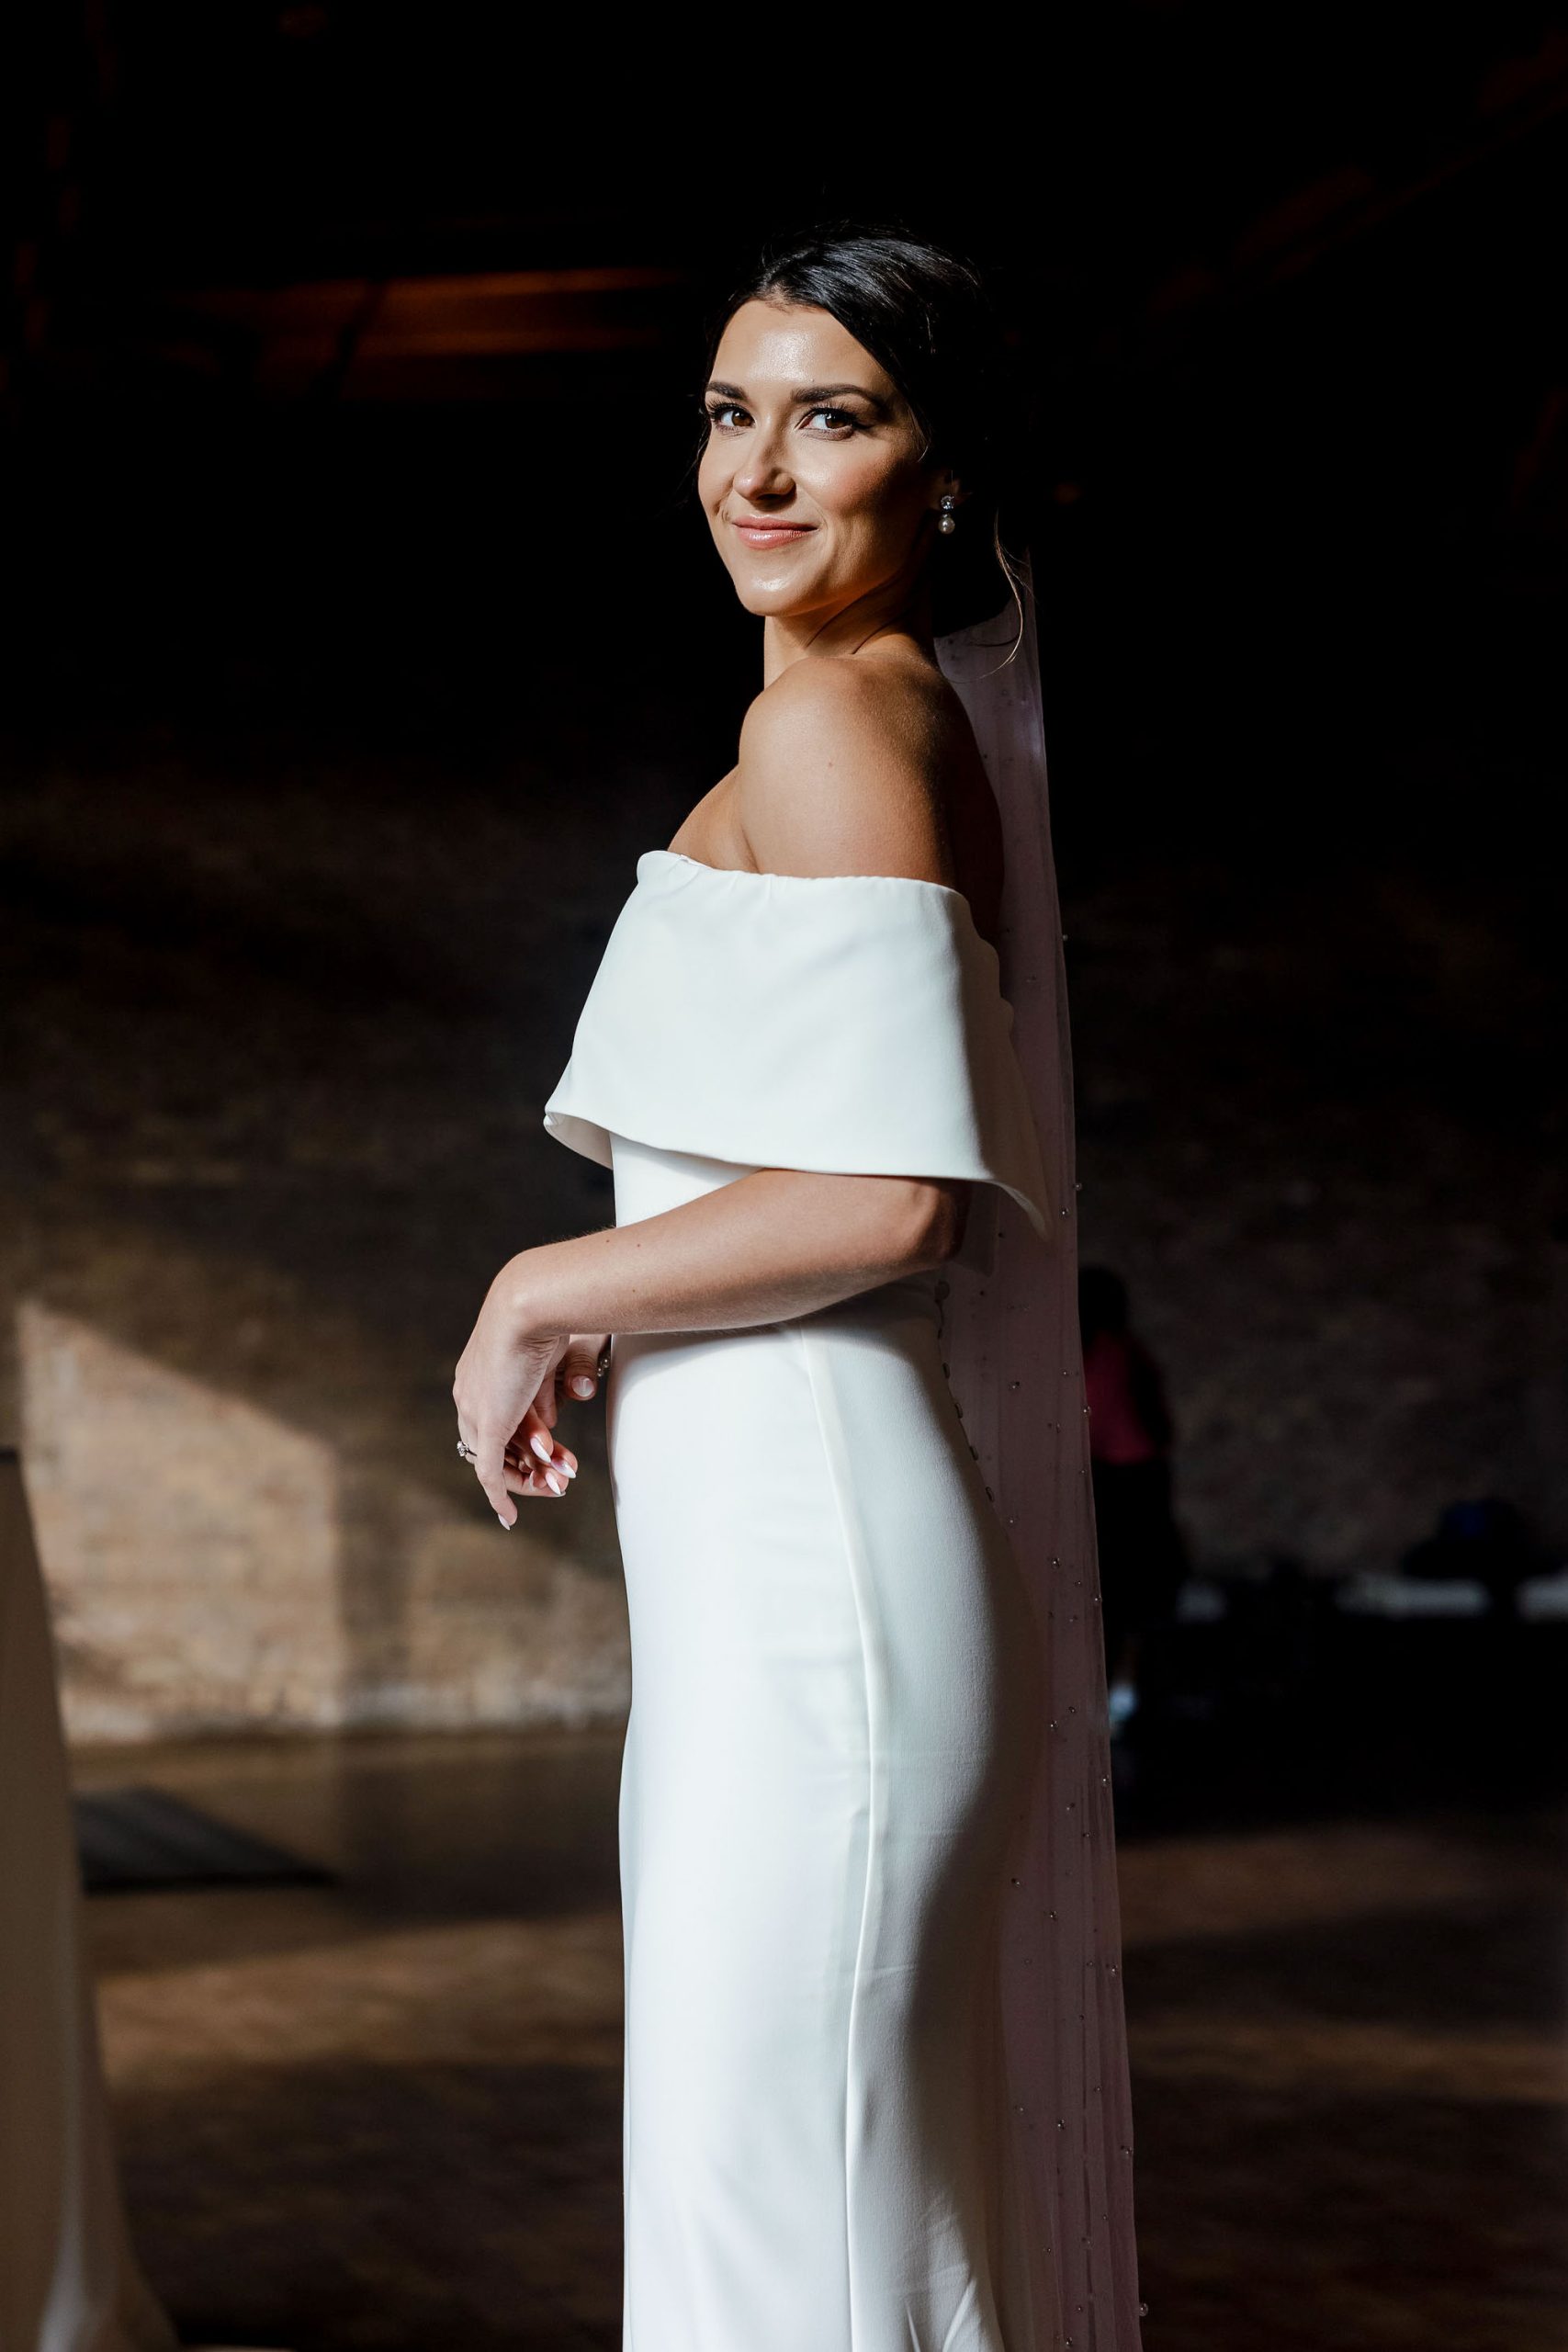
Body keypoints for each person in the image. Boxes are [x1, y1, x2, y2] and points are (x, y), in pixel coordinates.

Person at [454, 228, 1145, 2350]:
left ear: (945, 469)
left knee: (795, 2234)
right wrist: (618, 1295)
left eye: (829, 416)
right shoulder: (843, 715)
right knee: (789, 2217)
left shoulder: (842, 720)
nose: (753, 472)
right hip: (776, 1580)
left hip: (814, 1591)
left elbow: (889, 1199)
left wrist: (540, 1283)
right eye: (724, 413)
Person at [1079, 1267, 1190, 1735]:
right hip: (1136, 1481)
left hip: (1117, 1485)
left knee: (1117, 1597)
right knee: (1132, 1600)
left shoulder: (1099, 1354)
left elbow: (1100, 1430)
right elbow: (1162, 1430)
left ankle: (1116, 1698)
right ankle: (1121, 1695)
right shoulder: (1128, 1352)